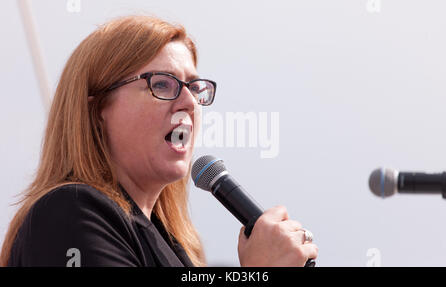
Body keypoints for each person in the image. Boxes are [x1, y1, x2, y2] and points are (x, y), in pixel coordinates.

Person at [0, 15, 318, 267]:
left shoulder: (174, 247)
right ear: (97, 109)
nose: (190, 103)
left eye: (195, 88)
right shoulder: (71, 211)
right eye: (163, 84)